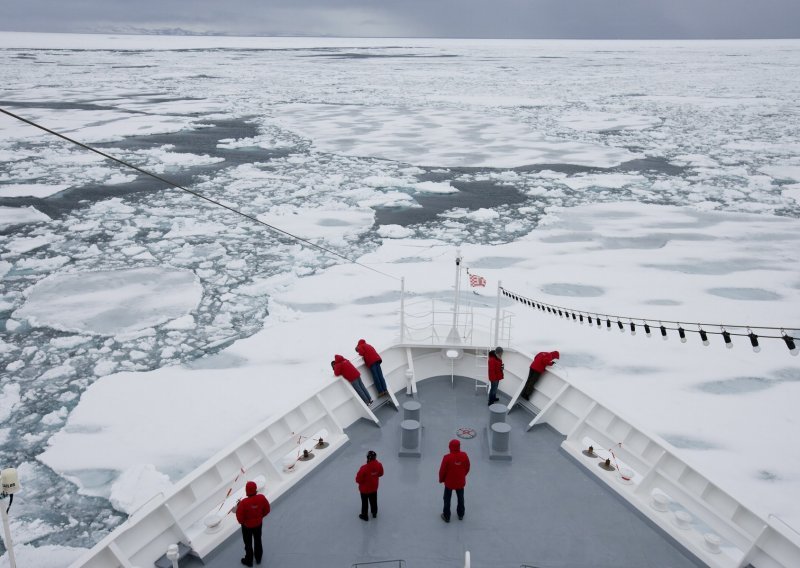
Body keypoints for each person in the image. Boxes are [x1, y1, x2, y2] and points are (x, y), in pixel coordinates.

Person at [235, 480, 271, 567]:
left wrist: (244, 521)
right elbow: (267, 510)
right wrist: (260, 517)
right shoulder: (261, 498)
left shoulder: (243, 503)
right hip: (258, 524)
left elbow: (240, 519)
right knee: (258, 540)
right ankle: (258, 558)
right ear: (255, 489)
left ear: (246, 491)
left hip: (247, 527)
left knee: (248, 543)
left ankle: (249, 561)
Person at [439, 438, 470, 522]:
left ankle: (446, 516)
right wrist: (462, 475)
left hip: (449, 483)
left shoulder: (447, 458)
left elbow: (442, 471)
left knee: (447, 499)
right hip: (460, 482)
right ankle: (461, 514)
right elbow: (467, 467)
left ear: (450, 447)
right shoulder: (464, 455)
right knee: (460, 498)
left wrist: (441, 479)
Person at [355, 450, 384, 521]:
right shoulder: (379, 465)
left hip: (364, 490)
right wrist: (374, 475)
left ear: (368, 458)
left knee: (365, 503)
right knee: (374, 501)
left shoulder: (364, 468)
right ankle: (374, 513)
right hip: (374, 488)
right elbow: (381, 473)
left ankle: (364, 515)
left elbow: (358, 479)